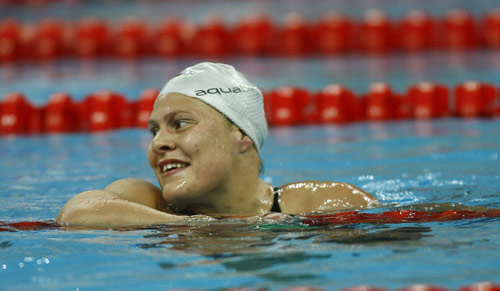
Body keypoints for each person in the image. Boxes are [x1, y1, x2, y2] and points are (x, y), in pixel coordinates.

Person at [56, 62, 378, 226]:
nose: (158, 144)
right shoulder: (147, 202)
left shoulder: (316, 203)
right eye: (154, 131)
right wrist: (192, 225)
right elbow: (76, 212)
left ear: (242, 137)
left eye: (179, 124)